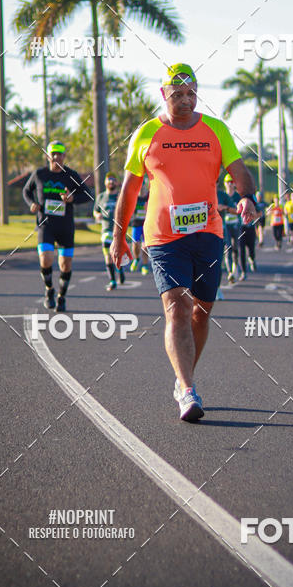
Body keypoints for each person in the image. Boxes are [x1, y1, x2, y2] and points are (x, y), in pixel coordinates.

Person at [110, 63, 257, 422]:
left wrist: (248, 197)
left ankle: (182, 377)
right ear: (164, 95)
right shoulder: (146, 134)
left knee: (201, 311)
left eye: (192, 93)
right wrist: (119, 237)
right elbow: (130, 190)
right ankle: (188, 389)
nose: (186, 100)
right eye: (178, 94)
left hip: (207, 232)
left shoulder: (216, 130)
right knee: (176, 305)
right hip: (163, 236)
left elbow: (239, 172)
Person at [23, 140, 92, 312]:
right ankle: (49, 290)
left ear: (64, 156)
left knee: (65, 264)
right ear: (47, 156)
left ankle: (61, 296)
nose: (56, 157)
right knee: (45, 259)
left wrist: (72, 199)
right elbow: (26, 191)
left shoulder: (71, 175)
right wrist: (32, 203)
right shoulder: (39, 174)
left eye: (59, 154)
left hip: (65, 226)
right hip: (45, 225)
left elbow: (88, 195)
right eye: (53, 154)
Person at [94, 173, 126, 291]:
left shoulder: (119, 196)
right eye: (109, 180)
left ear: (117, 182)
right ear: (105, 182)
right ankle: (112, 280)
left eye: (113, 180)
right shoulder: (101, 197)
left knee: (117, 255)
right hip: (106, 231)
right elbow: (95, 211)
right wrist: (97, 215)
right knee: (108, 255)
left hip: (119, 231)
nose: (111, 182)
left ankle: (120, 270)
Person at [221, 173, 242, 283]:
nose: (230, 184)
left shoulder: (237, 196)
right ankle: (230, 272)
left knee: (235, 247)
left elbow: (240, 210)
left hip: (236, 225)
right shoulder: (223, 195)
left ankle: (235, 264)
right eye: (228, 182)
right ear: (224, 184)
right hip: (226, 226)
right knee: (227, 248)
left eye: (232, 182)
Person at [129, 179, 150, 275]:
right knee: (135, 244)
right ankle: (136, 259)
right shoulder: (134, 196)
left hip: (146, 224)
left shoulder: (149, 196)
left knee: (145, 247)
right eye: (140, 186)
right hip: (136, 223)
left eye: (143, 186)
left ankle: (145, 266)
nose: (142, 188)